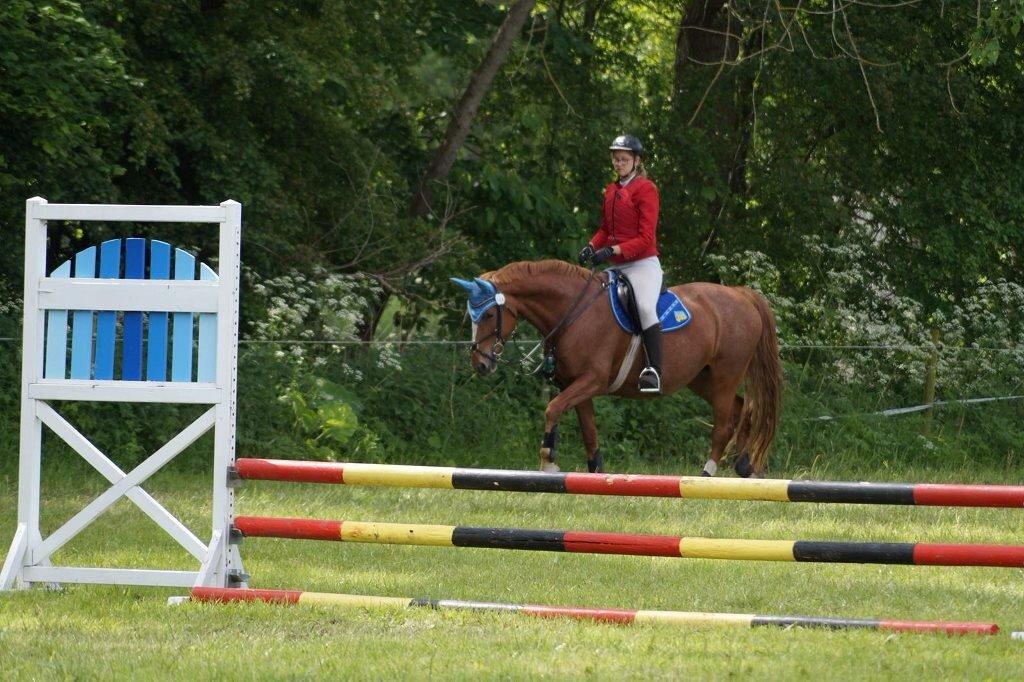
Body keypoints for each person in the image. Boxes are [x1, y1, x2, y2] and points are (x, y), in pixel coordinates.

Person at [578, 134, 663, 394]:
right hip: (616, 265)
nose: (619, 163)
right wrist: (591, 245)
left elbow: (645, 237)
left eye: (624, 159)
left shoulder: (646, 189)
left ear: (636, 161)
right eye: (616, 159)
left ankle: (653, 370)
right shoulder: (611, 190)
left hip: (642, 264)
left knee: (645, 308)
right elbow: (605, 229)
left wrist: (612, 250)